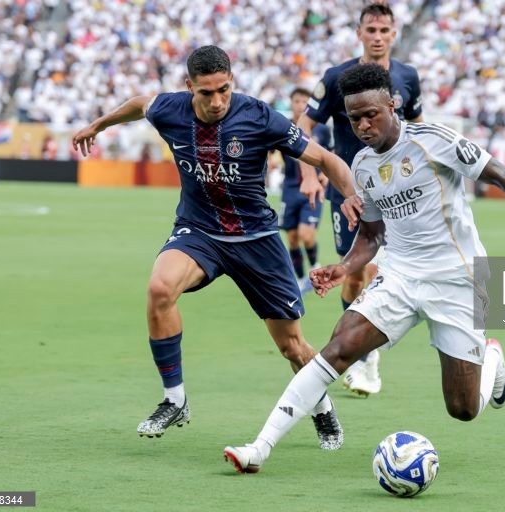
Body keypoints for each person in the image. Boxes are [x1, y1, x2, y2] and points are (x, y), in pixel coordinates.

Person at [223, 63, 505, 474]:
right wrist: (344, 267)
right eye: (354, 118)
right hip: (400, 275)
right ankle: (259, 447)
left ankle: (491, 358)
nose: (362, 125)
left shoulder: (434, 141)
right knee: (338, 348)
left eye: (370, 114)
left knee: (462, 409)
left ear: (392, 105)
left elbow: (502, 175)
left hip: (458, 278)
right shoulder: (361, 165)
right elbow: (373, 234)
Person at [71, 45, 357, 450]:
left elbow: (326, 158)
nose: (217, 100)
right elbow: (140, 104)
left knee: (291, 346)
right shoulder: (169, 109)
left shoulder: (258, 116)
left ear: (232, 82)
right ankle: (175, 399)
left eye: (224, 89)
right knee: (159, 290)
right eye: (206, 93)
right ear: (189, 87)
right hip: (199, 231)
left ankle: (323, 407)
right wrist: (99, 125)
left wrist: (348, 194)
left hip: (256, 239)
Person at [296, 2, 423, 397]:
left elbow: (417, 127)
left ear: (394, 33)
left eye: (385, 30)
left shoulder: (408, 77)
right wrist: (308, 172)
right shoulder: (337, 78)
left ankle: (365, 353)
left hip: (397, 190)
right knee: (353, 273)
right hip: (349, 192)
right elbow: (304, 124)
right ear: (360, 33)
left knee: (376, 271)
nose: (379, 37)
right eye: (372, 30)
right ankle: (363, 346)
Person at [278, 88, 332, 295]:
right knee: (292, 238)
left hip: (313, 189)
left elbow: (331, 153)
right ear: (291, 104)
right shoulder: (281, 128)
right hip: (289, 189)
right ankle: (301, 279)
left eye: (304, 102)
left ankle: (315, 265)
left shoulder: (320, 130)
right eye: (297, 101)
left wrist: (326, 175)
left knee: (306, 235)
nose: (300, 105)